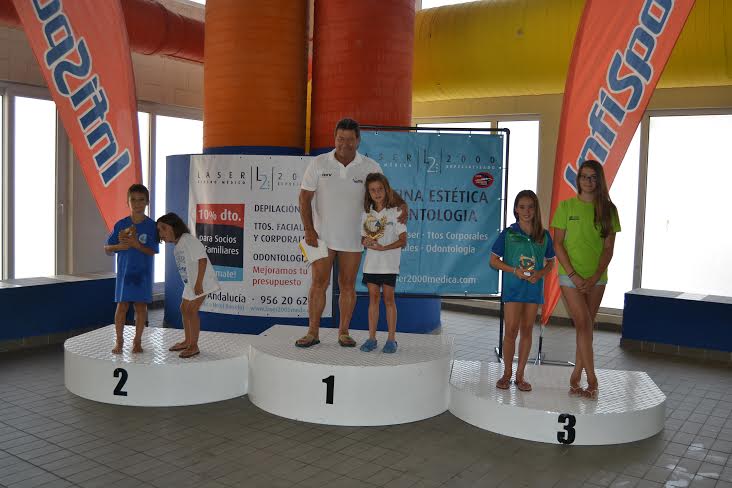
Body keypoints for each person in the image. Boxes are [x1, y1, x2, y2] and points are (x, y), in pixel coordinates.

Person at [296, 118, 407, 348]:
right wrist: (309, 230)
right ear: (334, 138)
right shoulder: (318, 163)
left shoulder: (370, 166)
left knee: (347, 285)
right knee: (318, 283)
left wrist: (403, 206)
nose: (344, 144)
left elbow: (384, 192)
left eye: (349, 139)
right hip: (321, 238)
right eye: (340, 139)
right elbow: (304, 198)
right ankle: (312, 332)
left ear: (358, 141)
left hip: (355, 238)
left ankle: (344, 332)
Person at [551, 160, 620, 400]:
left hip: (597, 278)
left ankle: (576, 375)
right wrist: (573, 274)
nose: (588, 181)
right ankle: (592, 379)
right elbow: (557, 244)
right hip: (570, 276)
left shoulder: (609, 210)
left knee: (587, 326)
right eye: (584, 176)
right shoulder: (566, 207)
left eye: (593, 177)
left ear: (599, 180)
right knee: (582, 323)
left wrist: (593, 277)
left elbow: (608, 249)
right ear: (578, 179)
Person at [490, 190, 555, 391]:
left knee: (527, 329)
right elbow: (493, 261)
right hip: (513, 289)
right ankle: (507, 373)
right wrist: (514, 270)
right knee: (511, 330)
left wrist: (540, 273)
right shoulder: (508, 234)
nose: (526, 211)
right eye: (522, 207)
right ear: (516, 209)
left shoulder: (544, 235)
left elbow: (551, 262)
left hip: (533, 289)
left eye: (531, 207)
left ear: (536, 209)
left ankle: (520, 376)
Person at [104, 184, 159, 354]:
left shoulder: (152, 226)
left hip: (143, 274)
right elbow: (107, 248)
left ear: (147, 202)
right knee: (122, 306)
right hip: (125, 274)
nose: (137, 204)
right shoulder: (121, 224)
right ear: (127, 202)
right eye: (133, 200)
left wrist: (136, 244)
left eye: (141, 200)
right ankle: (119, 341)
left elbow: (153, 251)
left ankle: (137, 341)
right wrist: (119, 246)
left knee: (141, 308)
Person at [157, 212, 220, 358]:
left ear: (174, 227)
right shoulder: (177, 246)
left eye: (163, 228)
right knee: (184, 308)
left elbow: (202, 260)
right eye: (159, 230)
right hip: (191, 283)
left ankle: (194, 345)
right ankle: (187, 341)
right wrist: (191, 284)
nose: (161, 233)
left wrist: (198, 283)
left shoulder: (188, 240)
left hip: (203, 282)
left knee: (191, 310)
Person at [359, 173, 407, 354]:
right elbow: (363, 238)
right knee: (373, 299)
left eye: (380, 189)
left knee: (389, 300)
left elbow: (403, 241)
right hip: (371, 264)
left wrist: (384, 248)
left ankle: (391, 340)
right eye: (373, 190)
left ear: (386, 189)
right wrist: (366, 242)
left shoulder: (396, 212)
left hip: (389, 264)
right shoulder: (367, 213)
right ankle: (371, 339)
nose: (377, 193)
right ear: (368, 193)